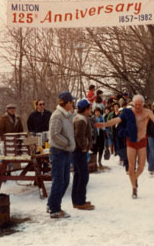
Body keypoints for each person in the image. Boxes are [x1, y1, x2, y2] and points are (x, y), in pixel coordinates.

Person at [96, 95, 154, 199]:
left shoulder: (147, 112)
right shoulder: (128, 112)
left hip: (142, 141)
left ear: (143, 103)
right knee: (131, 166)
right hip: (131, 141)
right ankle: (134, 188)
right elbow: (117, 120)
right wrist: (105, 124)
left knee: (141, 166)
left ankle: (134, 178)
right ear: (133, 103)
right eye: (136, 104)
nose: (138, 106)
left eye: (140, 104)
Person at [47, 91, 76, 219]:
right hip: (58, 152)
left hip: (65, 152)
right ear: (67, 102)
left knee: (64, 181)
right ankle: (55, 209)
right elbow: (54, 135)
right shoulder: (57, 116)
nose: (73, 104)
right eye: (71, 101)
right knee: (59, 181)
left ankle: (51, 204)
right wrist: (67, 143)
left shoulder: (66, 115)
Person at [72, 99, 95, 210]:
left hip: (77, 151)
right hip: (79, 151)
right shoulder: (80, 120)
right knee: (83, 176)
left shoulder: (80, 118)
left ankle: (76, 200)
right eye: (90, 108)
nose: (91, 110)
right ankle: (80, 201)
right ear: (85, 109)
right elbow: (79, 135)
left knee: (78, 175)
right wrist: (84, 147)